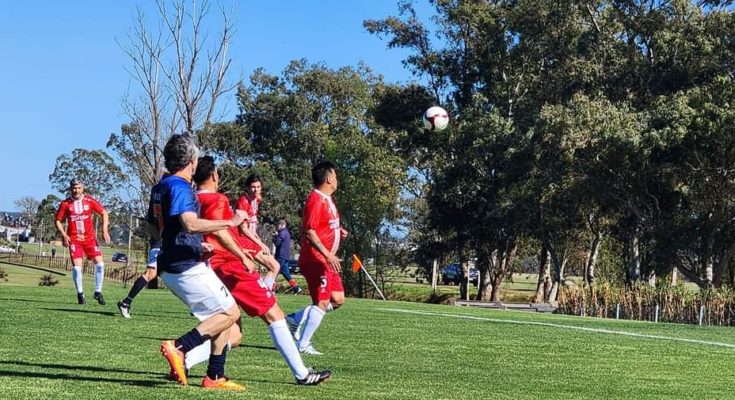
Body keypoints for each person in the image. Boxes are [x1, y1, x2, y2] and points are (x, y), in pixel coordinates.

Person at [188, 156, 331, 385]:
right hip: (230, 265)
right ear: (215, 175)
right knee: (275, 315)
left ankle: (184, 358)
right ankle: (302, 374)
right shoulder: (217, 199)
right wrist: (244, 255)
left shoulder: (192, 200)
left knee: (233, 335)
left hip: (211, 267)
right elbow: (222, 233)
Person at [152, 134, 246, 390]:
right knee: (230, 313)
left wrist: (191, 244)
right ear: (191, 161)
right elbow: (190, 223)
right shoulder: (181, 186)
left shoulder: (160, 186)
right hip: (185, 267)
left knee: (222, 312)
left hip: (173, 263)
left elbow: (156, 228)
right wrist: (231, 221)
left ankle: (215, 376)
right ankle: (180, 347)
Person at [286, 160, 348, 355]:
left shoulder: (327, 199)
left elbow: (323, 226)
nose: (336, 180)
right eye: (335, 176)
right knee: (321, 302)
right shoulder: (315, 199)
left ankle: (295, 319)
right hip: (315, 259)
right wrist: (328, 254)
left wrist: (338, 231)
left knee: (337, 300)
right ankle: (303, 345)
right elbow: (310, 232)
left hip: (326, 260)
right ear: (329, 178)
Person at [54, 178, 111, 305]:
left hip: (90, 239)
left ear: (83, 188)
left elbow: (104, 213)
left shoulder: (89, 201)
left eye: (79, 188)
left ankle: (98, 292)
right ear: (71, 189)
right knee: (77, 269)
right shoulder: (65, 204)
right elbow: (58, 220)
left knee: (100, 265)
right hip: (74, 240)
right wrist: (64, 235)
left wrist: (104, 229)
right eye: (74, 188)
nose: (76, 190)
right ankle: (80, 293)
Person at [235, 174, 280, 289]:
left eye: (258, 187)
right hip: (243, 241)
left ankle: (265, 291)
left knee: (269, 268)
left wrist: (257, 237)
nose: (256, 190)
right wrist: (260, 243)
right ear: (247, 187)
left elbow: (251, 224)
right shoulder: (243, 201)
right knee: (274, 266)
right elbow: (243, 229)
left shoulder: (257, 200)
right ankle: (266, 293)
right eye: (253, 187)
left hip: (250, 240)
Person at [116, 237, 160, 319]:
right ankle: (125, 303)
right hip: (160, 245)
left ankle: (192, 305)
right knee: (150, 274)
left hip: (174, 246)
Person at [273, 219, 302, 294]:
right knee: (286, 274)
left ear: (282, 225)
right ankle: (296, 288)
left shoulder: (282, 233)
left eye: (278, 225)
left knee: (274, 271)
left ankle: (270, 288)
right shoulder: (287, 233)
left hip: (280, 256)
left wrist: (275, 237)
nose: (277, 227)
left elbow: (277, 243)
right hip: (286, 256)